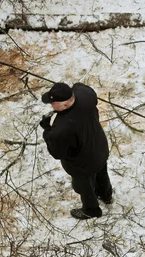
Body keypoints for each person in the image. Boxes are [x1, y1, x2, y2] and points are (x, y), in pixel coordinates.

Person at [39, 82, 113, 220]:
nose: (51, 106)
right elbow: (80, 86)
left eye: (53, 103)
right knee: (102, 171)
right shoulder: (85, 96)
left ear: (65, 105)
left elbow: (57, 153)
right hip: (99, 147)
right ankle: (106, 195)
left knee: (84, 186)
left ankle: (91, 210)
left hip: (82, 164)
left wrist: (48, 130)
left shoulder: (61, 129)